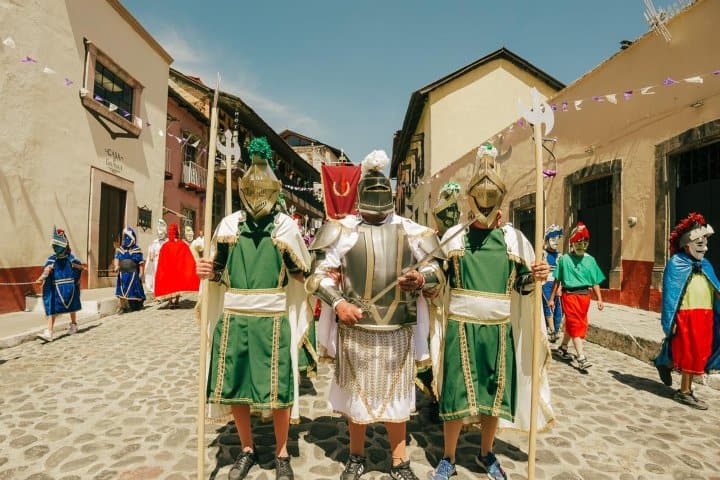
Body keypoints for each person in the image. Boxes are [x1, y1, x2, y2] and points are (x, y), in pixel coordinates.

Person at [308, 149, 444, 480]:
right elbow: (317, 276)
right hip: (356, 326)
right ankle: (356, 456)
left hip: (398, 327)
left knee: (398, 395)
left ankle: (399, 460)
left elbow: (437, 273)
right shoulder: (342, 230)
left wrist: (419, 279)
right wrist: (339, 303)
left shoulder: (411, 231)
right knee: (357, 395)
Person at [429, 143, 554, 480]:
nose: (484, 202)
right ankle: (448, 458)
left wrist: (536, 276)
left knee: (492, 396)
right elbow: (437, 276)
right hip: (461, 326)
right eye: (480, 196)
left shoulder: (514, 240)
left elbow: (522, 287)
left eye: (491, 196)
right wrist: (421, 278)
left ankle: (486, 453)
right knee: (455, 395)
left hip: (498, 328)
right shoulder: (454, 237)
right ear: (470, 198)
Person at [196, 137, 312, 480]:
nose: (257, 197)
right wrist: (208, 270)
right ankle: (247, 448)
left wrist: (297, 263)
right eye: (252, 190)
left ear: (275, 190)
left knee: (277, 389)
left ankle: (280, 453)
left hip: (273, 317)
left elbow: (299, 274)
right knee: (237, 385)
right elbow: (220, 271)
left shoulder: (286, 227)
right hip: (234, 316)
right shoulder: (228, 225)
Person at [654, 212, 720, 409]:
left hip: (706, 315)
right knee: (690, 352)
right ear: (686, 245)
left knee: (698, 351)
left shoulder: (705, 264)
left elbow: (714, 286)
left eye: (706, 243)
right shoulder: (676, 263)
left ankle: (665, 363)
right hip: (686, 315)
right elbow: (671, 295)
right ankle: (685, 392)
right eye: (700, 244)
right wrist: (670, 321)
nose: (705, 248)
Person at [548, 222, 605, 370]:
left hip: (585, 297)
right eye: (579, 241)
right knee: (574, 324)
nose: (582, 244)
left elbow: (595, 281)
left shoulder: (590, 260)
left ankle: (563, 348)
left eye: (585, 242)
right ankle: (581, 357)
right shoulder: (564, 260)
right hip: (570, 295)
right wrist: (551, 298)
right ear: (572, 243)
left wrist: (599, 298)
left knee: (579, 324)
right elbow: (557, 280)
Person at [35, 226, 84, 341]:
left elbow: (79, 267)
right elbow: (47, 270)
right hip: (56, 288)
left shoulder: (71, 259)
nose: (55, 247)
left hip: (69, 287)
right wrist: (41, 278)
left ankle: (73, 324)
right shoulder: (52, 259)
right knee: (53, 308)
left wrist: (77, 268)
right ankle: (49, 332)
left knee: (72, 307)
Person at [154, 223, 200, 308]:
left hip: (170, 269)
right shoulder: (181, 244)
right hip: (177, 269)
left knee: (171, 284)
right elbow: (187, 257)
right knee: (177, 284)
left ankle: (172, 301)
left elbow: (162, 260)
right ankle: (176, 301)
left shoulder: (166, 245)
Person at [114, 226, 146, 312]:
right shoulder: (121, 249)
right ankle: (122, 306)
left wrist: (141, 273)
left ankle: (137, 304)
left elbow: (141, 263)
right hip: (122, 273)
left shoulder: (136, 249)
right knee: (121, 290)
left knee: (134, 289)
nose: (125, 240)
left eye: (127, 237)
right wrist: (116, 266)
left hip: (133, 274)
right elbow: (117, 258)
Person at [542, 225, 564, 343]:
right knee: (547, 305)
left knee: (558, 307)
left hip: (557, 283)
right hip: (545, 283)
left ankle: (556, 329)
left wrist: (560, 287)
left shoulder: (560, 256)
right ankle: (551, 330)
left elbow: (561, 273)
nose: (555, 241)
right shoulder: (542, 253)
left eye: (557, 238)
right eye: (553, 238)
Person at [144, 219, 168, 295]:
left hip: (165, 261)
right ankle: (156, 290)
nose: (160, 235)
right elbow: (151, 252)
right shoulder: (154, 242)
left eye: (162, 233)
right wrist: (151, 256)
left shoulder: (167, 242)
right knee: (156, 275)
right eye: (159, 233)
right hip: (156, 261)